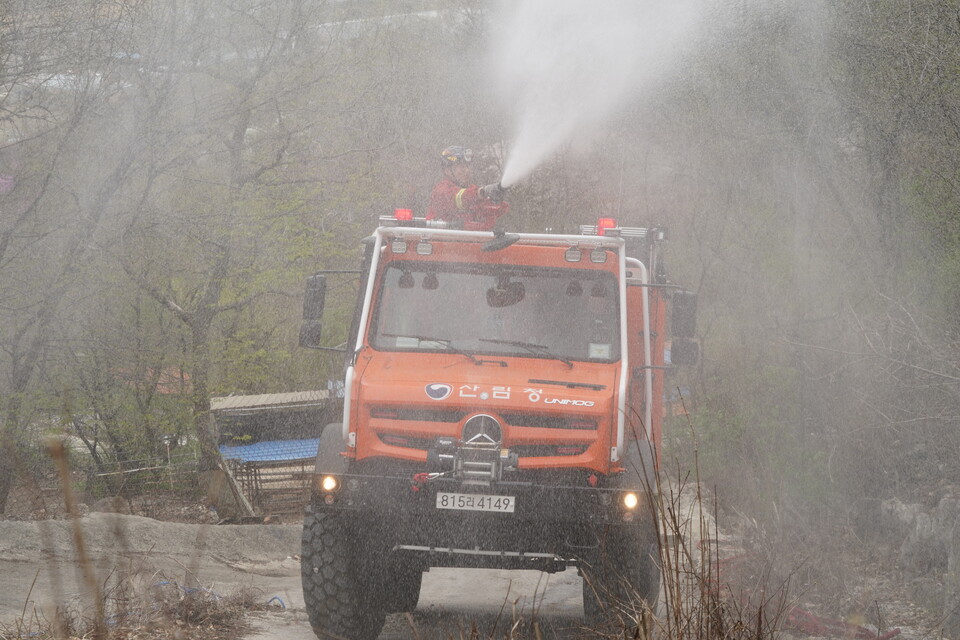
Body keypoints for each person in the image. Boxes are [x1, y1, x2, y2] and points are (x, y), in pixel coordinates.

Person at [426, 146, 508, 230]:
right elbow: (460, 197)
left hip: (471, 240)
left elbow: (491, 211)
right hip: (442, 240)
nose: (467, 171)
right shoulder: (441, 190)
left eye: (468, 166)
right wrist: (482, 192)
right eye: (462, 167)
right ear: (447, 171)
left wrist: (496, 200)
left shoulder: (472, 190)